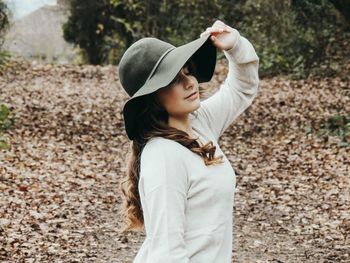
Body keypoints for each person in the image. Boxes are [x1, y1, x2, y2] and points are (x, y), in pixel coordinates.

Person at [118, 19, 259, 263]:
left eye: (187, 71)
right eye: (173, 79)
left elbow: (241, 89)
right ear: (151, 97)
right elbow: (168, 254)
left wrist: (234, 45)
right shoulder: (163, 157)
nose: (189, 82)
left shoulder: (199, 122)